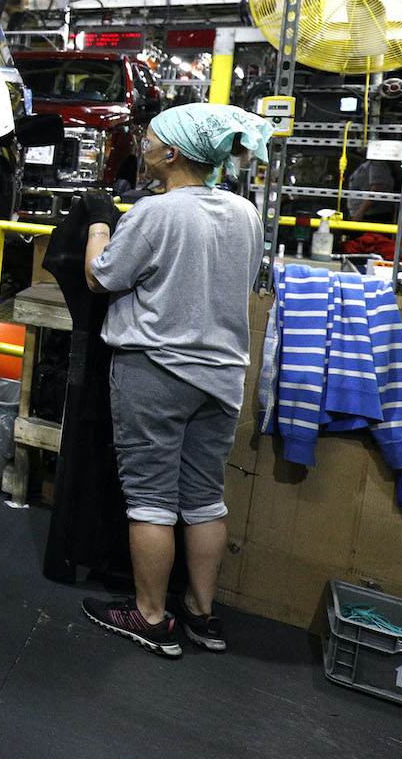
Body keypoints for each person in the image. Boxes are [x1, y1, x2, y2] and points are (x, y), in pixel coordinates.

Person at [78, 103, 272, 658]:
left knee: (150, 499)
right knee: (206, 499)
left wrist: (99, 222)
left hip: (156, 371)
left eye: (149, 139)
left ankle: (149, 616)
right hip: (222, 375)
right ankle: (201, 615)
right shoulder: (245, 213)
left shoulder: (154, 213)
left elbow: (100, 277)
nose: (142, 146)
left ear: (172, 154)